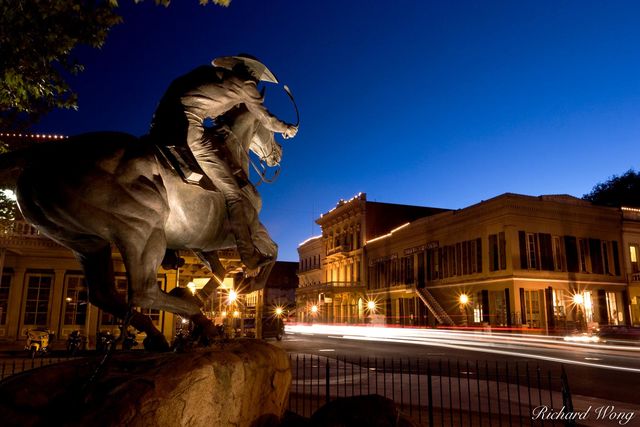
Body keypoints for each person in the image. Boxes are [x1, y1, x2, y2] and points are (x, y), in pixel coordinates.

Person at [150, 54, 298, 270]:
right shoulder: (245, 85)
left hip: (160, 128)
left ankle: (170, 245)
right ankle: (248, 255)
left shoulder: (211, 76)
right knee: (233, 193)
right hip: (187, 130)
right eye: (257, 80)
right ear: (252, 75)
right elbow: (264, 117)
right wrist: (286, 128)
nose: (256, 86)